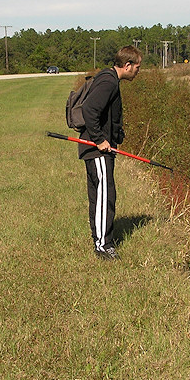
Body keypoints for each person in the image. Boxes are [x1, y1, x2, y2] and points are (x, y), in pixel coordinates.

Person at [78, 45, 142, 260]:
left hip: (97, 148)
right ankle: (104, 245)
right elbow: (89, 109)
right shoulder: (108, 81)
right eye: (137, 67)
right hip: (97, 150)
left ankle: (100, 241)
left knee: (99, 196)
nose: (138, 72)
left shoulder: (109, 79)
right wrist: (99, 139)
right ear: (127, 65)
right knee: (106, 196)